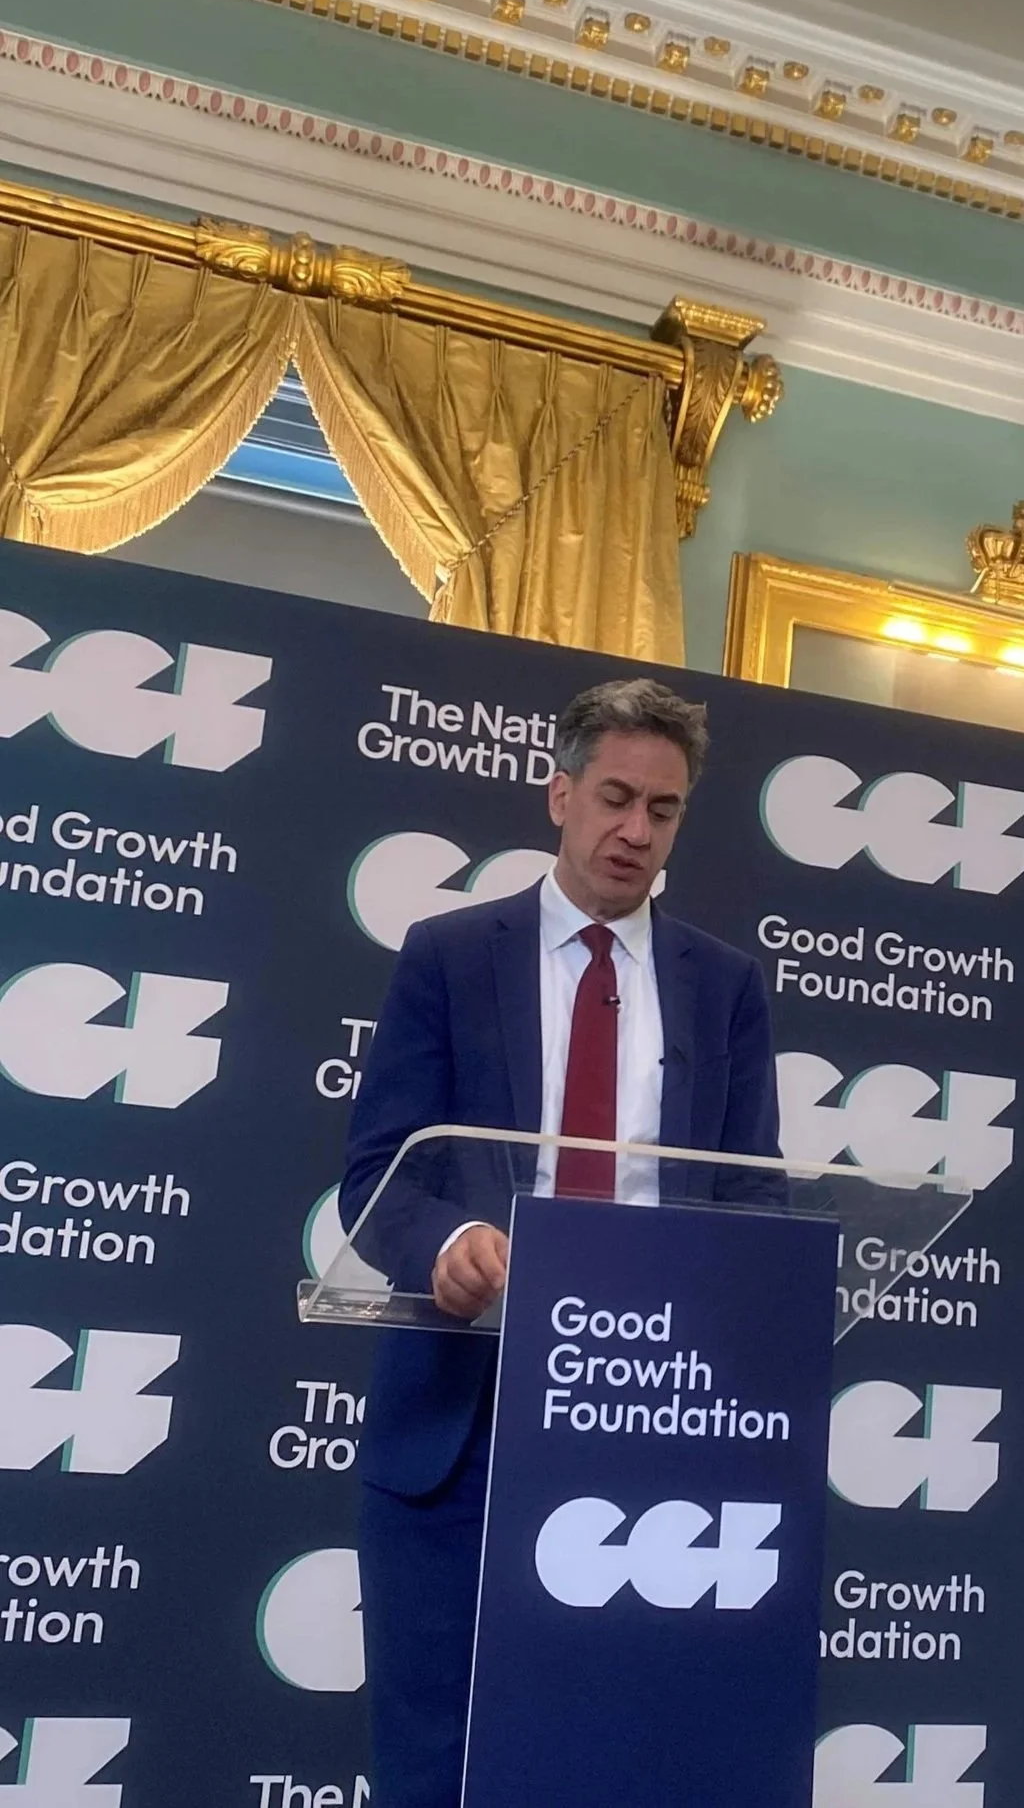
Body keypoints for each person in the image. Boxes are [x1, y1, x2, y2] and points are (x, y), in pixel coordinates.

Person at [340, 676, 780, 1808]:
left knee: (620, 1756)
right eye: (616, 797)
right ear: (560, 795)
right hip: (465, 1416)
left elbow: (748, 1207)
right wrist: (452, 1242)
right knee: (439, 1758)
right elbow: (377, 1177)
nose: (636, 830)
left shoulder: (725, 989)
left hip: (651, 1422)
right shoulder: (448, 955)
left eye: (664, 809)